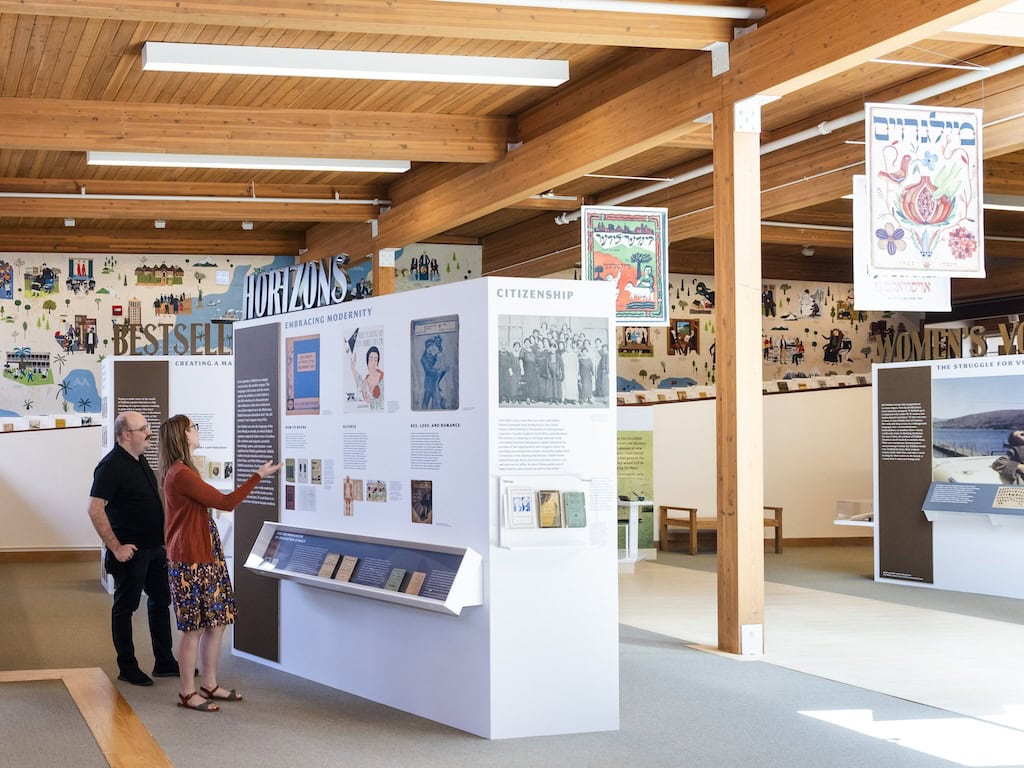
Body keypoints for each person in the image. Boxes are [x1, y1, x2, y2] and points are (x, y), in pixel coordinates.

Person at [158, 414, 281, 712]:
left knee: (217, 622)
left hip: (206, 556)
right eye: (193, 428)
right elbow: (225, 503)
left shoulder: (185, 470)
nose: (197, 431)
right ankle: (186, 692)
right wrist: (258, 477)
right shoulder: (181, 474)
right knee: (194, 628)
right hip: (191, 561)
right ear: (183, 436)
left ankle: (209, 683)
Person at [87, 411, 179, 686]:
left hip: (154, 550)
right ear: (126, 435)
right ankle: (127, 666)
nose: (149, 434)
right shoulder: (111, 465)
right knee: (125, 607)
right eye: (144, 429)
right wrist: (115, 548)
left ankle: (164, 661)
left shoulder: (140, 461)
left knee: (160, 601)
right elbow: (94, 509)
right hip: (130, 552)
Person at [350, 344, 384, 411]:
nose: (373, 362)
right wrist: (353, 368)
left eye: (375, 359)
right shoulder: (365, 381)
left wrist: (370, 402)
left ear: (378, 362)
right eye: (371, 359)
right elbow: (359, 380)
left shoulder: (382, 378)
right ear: (367, 361)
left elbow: (382, 402)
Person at [420, 335, 448, 409]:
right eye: (431, 346)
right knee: (425, 402)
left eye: (433, 346)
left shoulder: (433, 355)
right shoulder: (424, 358)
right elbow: (428, 370)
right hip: (429, 384)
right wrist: (438, 370)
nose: (433, 348)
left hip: (435, 383)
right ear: (428, 347)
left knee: (435, 403)